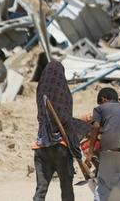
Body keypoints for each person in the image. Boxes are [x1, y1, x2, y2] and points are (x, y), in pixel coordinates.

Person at [34, 61, 90, 201]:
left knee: (41, 188)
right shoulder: (61, 90)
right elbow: (64, 119)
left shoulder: (41, 89)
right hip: (60, 146)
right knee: (66, 186)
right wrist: (75, 144)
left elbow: (43, 116)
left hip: (42, 145)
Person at [86, 87, 120, 201]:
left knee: (103, 187)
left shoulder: (99, 109)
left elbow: (95, 126)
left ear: (103, 99)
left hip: (108, 151)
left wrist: (90, 153)